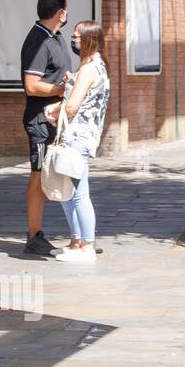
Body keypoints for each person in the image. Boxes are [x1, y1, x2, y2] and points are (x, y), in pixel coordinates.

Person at [44, 20, 111, 263]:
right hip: (80, 136)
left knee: (79, 194)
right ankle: (76, 242)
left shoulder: (89, 69)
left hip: (78, 137)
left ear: (89, 41)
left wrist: (53, 111)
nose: (73, 41)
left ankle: (87, 246)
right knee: (68, 191)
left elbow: (72, 106)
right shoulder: (94, 66)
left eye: (76, 38)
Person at [20, 0, 76, 256]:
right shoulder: (38, 41)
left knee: (53, 173)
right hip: (41, 120)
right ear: (60, 13)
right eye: (66, 10)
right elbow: (31, 85)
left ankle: (77, 235)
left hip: (55, 118)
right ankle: (34, 235)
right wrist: (59, 90)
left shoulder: (55, 37)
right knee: (39, 174)